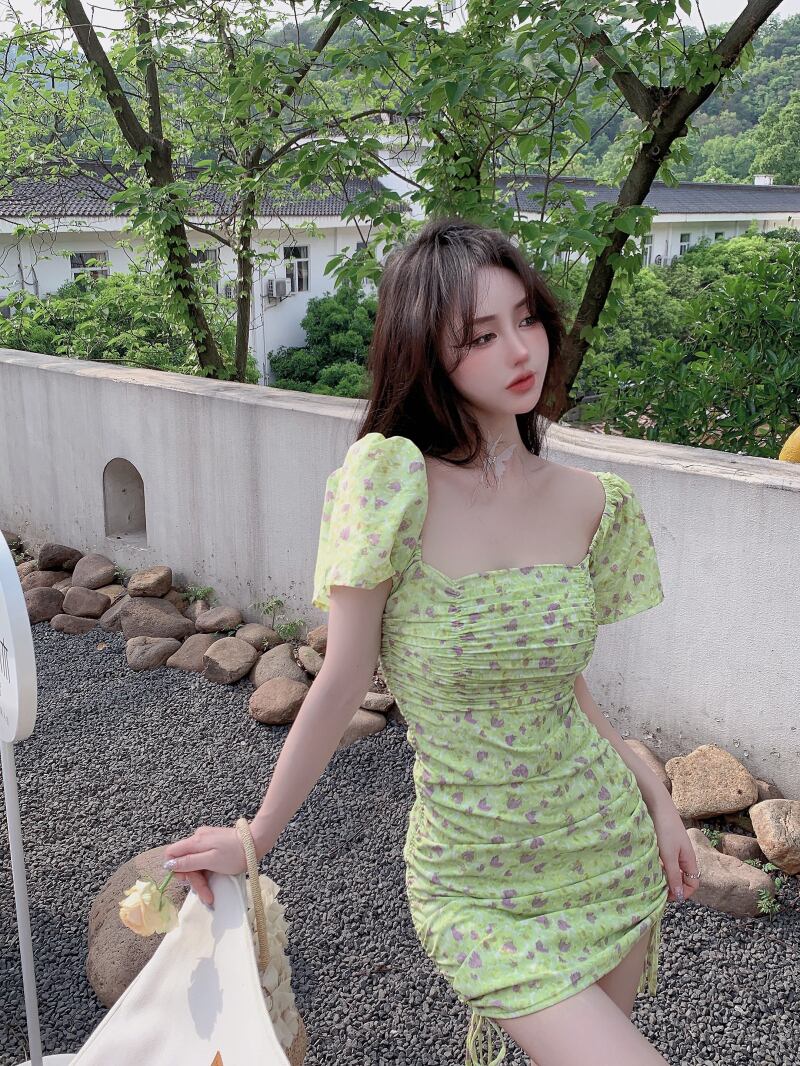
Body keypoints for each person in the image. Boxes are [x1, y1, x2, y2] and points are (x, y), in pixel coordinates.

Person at [164, 217, 700, 1066]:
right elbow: (342, 681)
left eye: (526, 318)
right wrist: (256, 836)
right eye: (480, 336)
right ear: (426, 353)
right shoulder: (390, 485)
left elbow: (566, 689)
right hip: (475, 880)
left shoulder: (595, 501)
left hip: (607, 852)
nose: (519, 349)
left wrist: (660, 803)